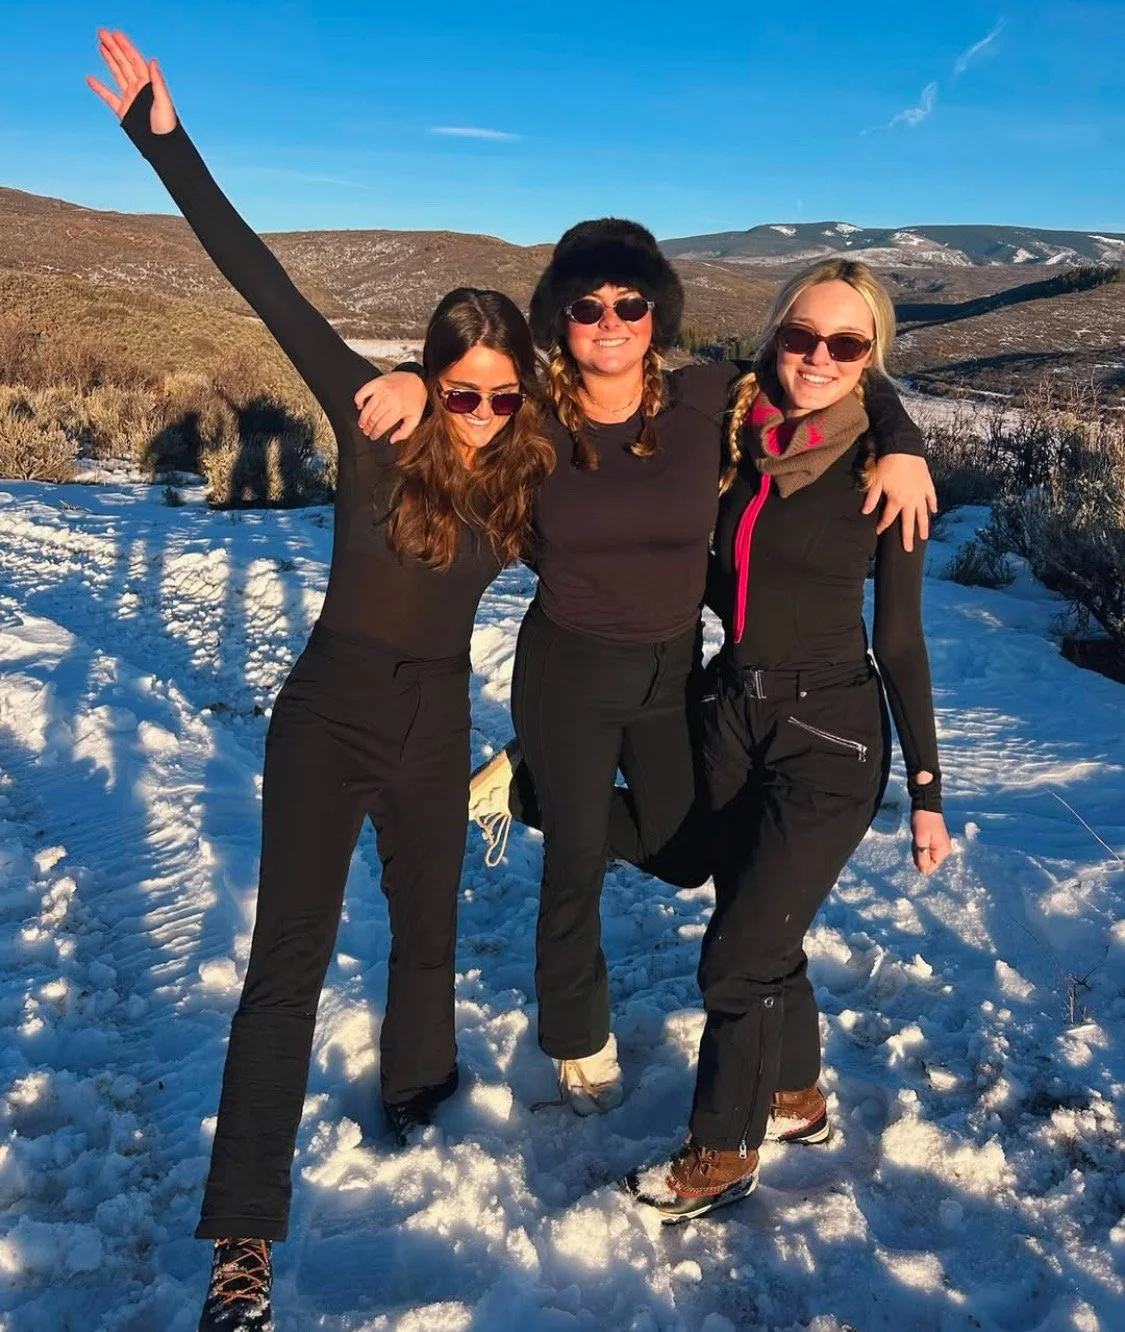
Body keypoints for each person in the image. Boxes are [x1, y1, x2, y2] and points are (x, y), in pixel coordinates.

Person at [88, 30, 554, 1331]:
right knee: (286, 964)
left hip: (435, 716)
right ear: (430, 375)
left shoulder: (529, 470)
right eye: (459, 386)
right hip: (330, 706)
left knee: (428, 928)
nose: (477, 408)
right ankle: (244, 1245)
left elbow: (646, 447)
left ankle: (414, 1091)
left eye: (499, 393)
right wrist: (162, 140)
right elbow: (263, 282)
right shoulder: (372, 409)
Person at [354, 223, 937, 1118]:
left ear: (657, 311)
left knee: (687, 852)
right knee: (577, 868)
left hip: (671, 665)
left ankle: (524, 793)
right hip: (567, 670)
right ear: (561, 320)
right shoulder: (530, 417)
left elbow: (827, 364)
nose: (611, 321)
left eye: (630, 303)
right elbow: (461, 391)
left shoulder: (708, 397)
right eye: (587, 307)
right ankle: (576, 1040)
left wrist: (901, 438)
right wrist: (408, 379)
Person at [627, 259, 953, 1221]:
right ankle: (795, 1097)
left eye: (847, 344)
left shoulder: (883, 474)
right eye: (801, 336)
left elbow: (899, 639)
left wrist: (928, 791)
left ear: (871, 359)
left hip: (830, 735)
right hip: (734, 708)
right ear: (773, 335)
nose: (818, 357)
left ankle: (720, 1151)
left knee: (735, 955)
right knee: (764, 933)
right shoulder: (736, 429)